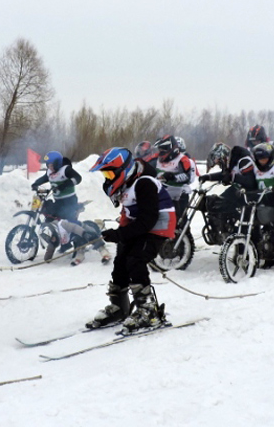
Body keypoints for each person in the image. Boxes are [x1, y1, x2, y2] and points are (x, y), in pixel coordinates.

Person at [86, 148, 176, 333]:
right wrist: (119, 234)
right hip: (141, 226)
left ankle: (148, 311)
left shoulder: (145, 183)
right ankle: (120, 307)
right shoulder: (127, 184)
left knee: (136, 259)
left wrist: (121, 234)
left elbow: (148, 219)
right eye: (106, 174)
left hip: (158, 227)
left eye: (110, 173)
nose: (108, 178)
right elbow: (128, 214)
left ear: (124, 169)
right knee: (121, 260)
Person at [31, 151, 103, 264]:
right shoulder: (50, 171)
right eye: (48, 164)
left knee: (70, 223)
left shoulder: (65, 170)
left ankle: (78, 246)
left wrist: (64, 185)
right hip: (58, 202)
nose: (50, 167)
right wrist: (35, 183)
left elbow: (77, 178)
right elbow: (44, 178)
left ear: (58, 163)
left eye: (51, 164)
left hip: (69, 201)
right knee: (52, 220)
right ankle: (64, 244)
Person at [198, 143, 258, 244]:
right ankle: (223, 230)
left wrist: (233, 178)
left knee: (223, 203)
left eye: (219, 162)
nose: (220, 165)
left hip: (249, 193)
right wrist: (208, 177)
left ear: (224, 157)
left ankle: (236, 230)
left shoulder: (243, 161)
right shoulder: (232, 162)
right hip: (237, 190)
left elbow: (251, 181)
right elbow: (225, 175)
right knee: (216, 203)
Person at [153, 135, 194, 222]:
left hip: (179, 195)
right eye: (160, 149)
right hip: (161, 193)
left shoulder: (182, 159)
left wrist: (172, 177)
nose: (161, 151)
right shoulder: (157, 159)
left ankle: (184, 233)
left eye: (163, 149)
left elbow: (187, 177)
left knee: (178, 221)